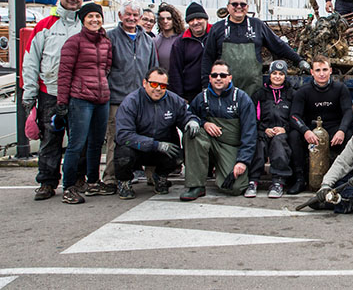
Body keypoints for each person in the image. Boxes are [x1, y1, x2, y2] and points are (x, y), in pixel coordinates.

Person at [21, 0, 85, 201]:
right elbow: (30, 60)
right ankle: (47, 182)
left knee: (78, 139)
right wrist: (28, 93)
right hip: (50, 91)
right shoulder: (45, 25)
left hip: (78, 93)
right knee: (50, 138)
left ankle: (77, 180)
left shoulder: (84, 25)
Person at [56, 3, 112, 204]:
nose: (95, 20)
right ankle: (69, 187)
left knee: (97, 143)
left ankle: (93, 182)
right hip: (80, 99)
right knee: (76, 144)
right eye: (90, 16)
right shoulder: (74, 43)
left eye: (98, 16)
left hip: (101, 99)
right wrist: (62, 101)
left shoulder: (106, 42)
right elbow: (64, 74)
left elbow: (106, 68)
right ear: (83, 19)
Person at [114, 67, 199, 200]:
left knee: (177, 155)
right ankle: (124, 182)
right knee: (123, 155)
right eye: (154, 84)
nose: (158, 88)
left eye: (163, 85)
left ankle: (160, 176)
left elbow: (185, 115)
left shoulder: (173, 100)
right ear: (144, 83)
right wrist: (154, 145)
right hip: (137, 148)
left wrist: (192, 121)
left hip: (163, 147)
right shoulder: (131, 102)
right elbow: (123, 135)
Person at [202, 0, 308, 97]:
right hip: (224, 89)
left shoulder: (257, 25)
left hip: (253, 89)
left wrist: (299, 61)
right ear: (228, 7)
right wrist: (206, 86)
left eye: (242, 4)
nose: (239, 7)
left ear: (247, 7)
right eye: (234, 4)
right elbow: (208, 58)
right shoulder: (217, 29)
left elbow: (278, 45)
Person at [102, 0, 157, 194]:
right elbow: (104, 68)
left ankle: (153, 175)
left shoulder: (148, 41)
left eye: (135, 15)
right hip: (117, 98)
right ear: (120, 16)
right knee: (115, 139)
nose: (132, 18)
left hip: (142, 99)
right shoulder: (109, 38)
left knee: (148, 135)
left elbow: (153, 71)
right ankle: (110, 177)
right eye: (128, 15)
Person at [183, 60, 258, 200]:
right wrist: (202, 123)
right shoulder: (201, 98)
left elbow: (250, 133)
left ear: (230, 77)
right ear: (210, 78)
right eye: (215, 75)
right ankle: (196, 185)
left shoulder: (241, 98)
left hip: (230, 146)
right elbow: (188, 114)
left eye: (223, 75)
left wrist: (242, 161)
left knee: (235, 188)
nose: (218, 78)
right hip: (208, 141)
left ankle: (220, 170)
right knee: (191, 132)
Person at [247, 61, 298, 198]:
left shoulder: (291, 94)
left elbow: (296, 115)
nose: (277, 76)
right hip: (263, 130)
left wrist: (285, 129)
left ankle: (278, 181)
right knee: (259, 144)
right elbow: (253, 118)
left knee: (279, 144)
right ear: (269, 75)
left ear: (285, 76)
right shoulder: (260, 94)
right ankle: (253, 180)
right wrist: (263, 130)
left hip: (282, 132)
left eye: (281, 74)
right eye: (274, 73)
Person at [290, 56, 353, 162]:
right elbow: (294, 116)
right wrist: (305, 131)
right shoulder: (303, 91)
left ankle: (346, 175)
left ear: (330, 70)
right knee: (294, 135)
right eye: (318, 70)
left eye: (325, 69)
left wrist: (342, 130)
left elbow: (348, 111)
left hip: (334, 131)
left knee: (349, 134)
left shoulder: (340, 88)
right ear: (312, 72)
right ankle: (299, 176)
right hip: (311, 132)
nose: (321, 74)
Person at [168, 2, 212, 102]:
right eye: (191, 20)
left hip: (215, 91)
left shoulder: (216, 35)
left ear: (206, 19)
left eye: (199, 18)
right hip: (190, 95)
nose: (195, 22)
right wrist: (180, 97)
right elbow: (175, 72)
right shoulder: (180, 43)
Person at [154, 3, 184, 74]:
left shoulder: (181, 39)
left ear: (174, 20)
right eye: (162, 19)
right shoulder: (155, 41)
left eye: (169, 18)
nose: (165, 21)